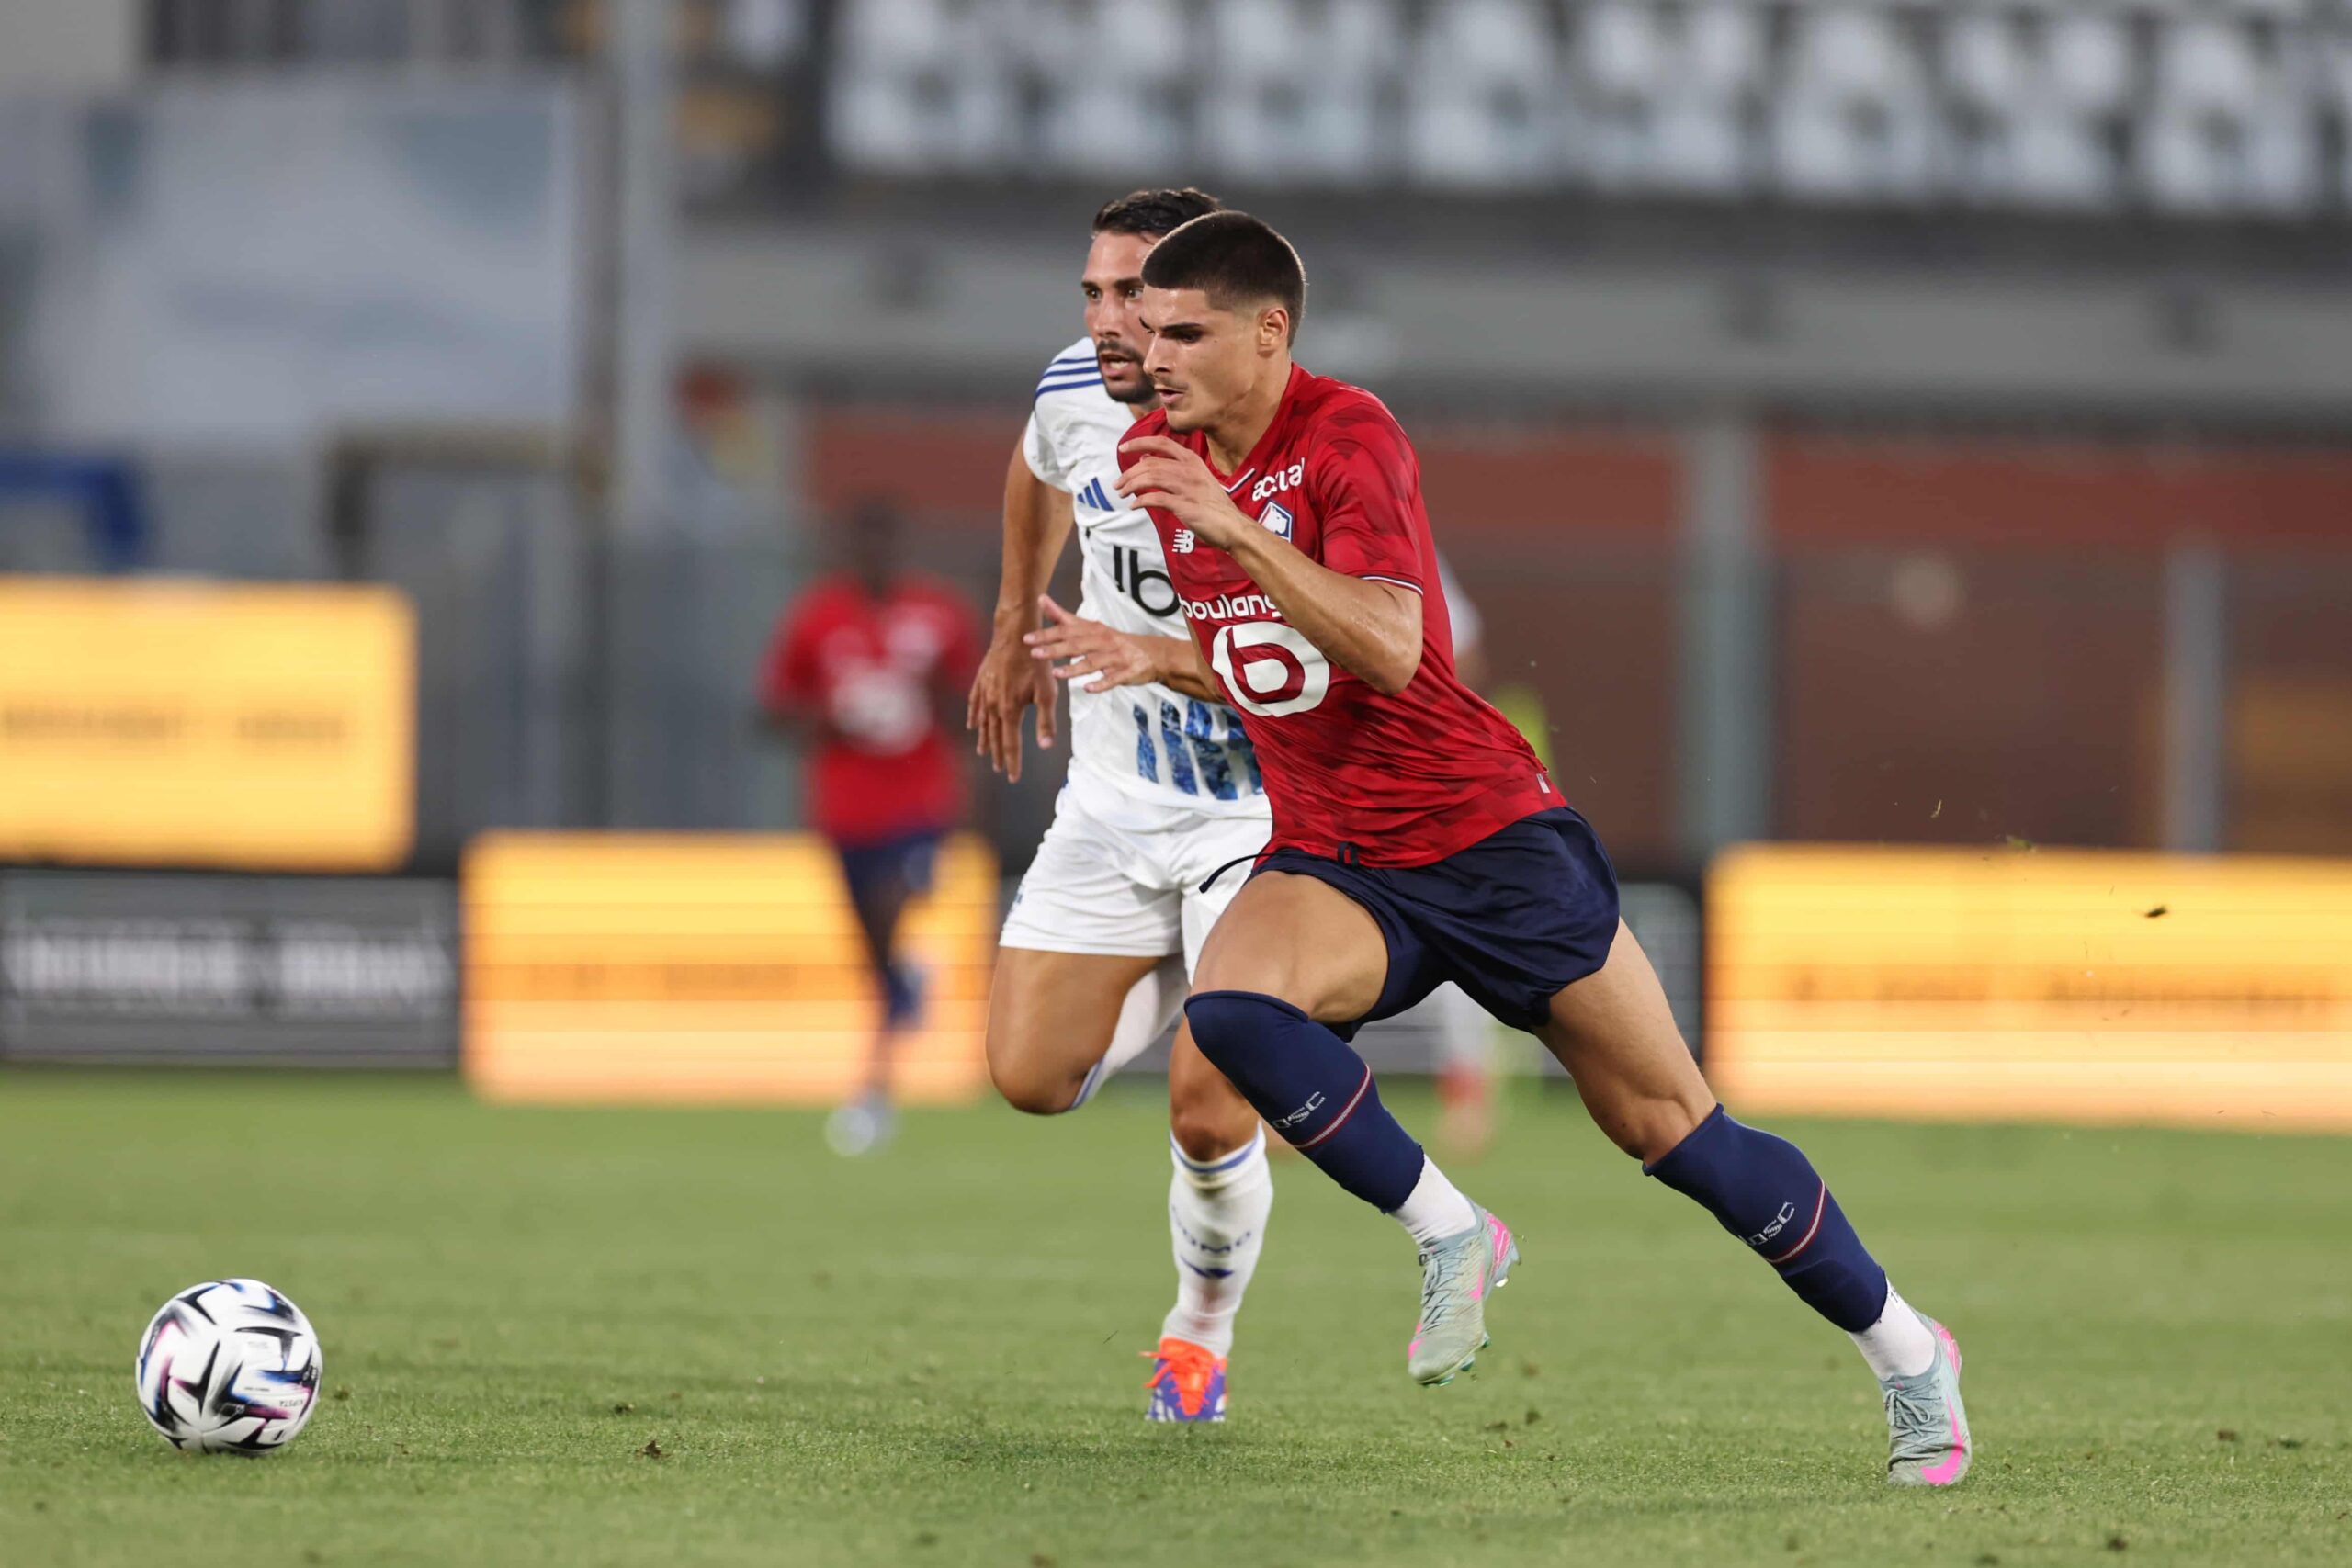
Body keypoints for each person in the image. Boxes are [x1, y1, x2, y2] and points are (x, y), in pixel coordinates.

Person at [1025, 211, 1972, 1486]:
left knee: (1676, 1132)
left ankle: (1909, 1353)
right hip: (1336, 851)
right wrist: (1158, 655)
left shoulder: (1348, 435)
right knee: (1234, 1013)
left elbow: (1390, 646)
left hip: (1485, 839)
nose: (1152, 354)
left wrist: (1238, 528)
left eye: (1183, 331)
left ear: (1269, 332)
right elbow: (1267, 653)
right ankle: (1451, 1230)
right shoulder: (1158, 453)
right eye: (1146, 330)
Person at [965, 188, 1274, 1424]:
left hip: (1259, 815)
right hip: (1113, 798)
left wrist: (1160, 656)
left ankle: (1198, 1335)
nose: (1104, 319)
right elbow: (1037, 463)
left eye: (1131, 296)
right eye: (1091, 291)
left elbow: (1328, 648)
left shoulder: (1278, 431)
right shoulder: (1072, 388)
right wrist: (1010, 624)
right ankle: (1213, 995)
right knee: (1029, 1076)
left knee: (1208, 1103)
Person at [763, 502, 981, 1156]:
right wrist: (832, 718)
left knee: (894, 902)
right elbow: (774, 710)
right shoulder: (817, 617)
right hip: (844, 810)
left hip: (920, 803)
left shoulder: (939, 615)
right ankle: (876, 1092)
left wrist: (935, 702)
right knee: (876, 957)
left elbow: (973, 704)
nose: (874, 555)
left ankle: (876, 1078)